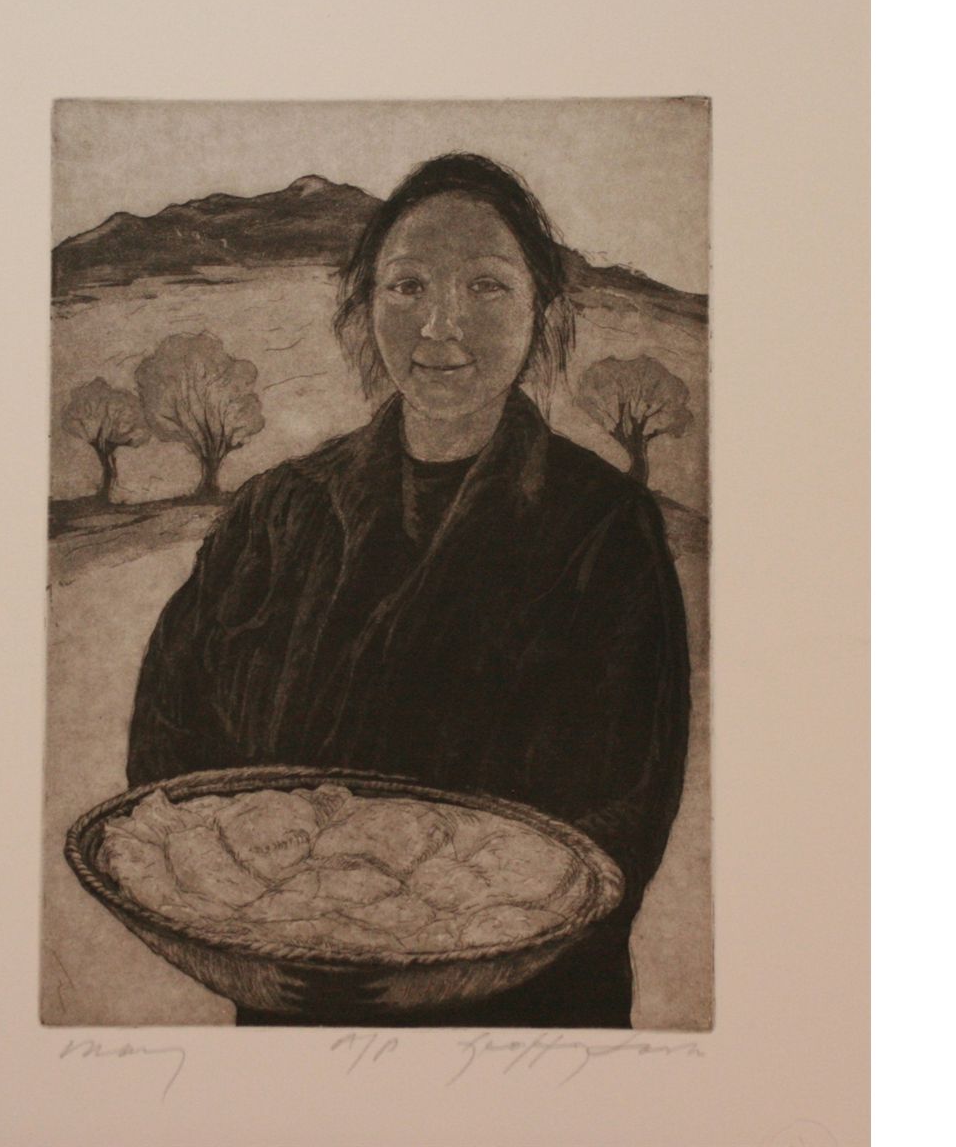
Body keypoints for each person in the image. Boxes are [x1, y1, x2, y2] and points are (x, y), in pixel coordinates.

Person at [127, 153, 691, 1028]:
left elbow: (624, 812)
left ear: (543, 312)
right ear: (364, 307)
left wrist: (452, 952)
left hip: (527, 1022)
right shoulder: (276, 511)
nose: (439, 325)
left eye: (485, 287)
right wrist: (242, 932)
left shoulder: (604, 527)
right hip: (293, 1001)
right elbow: (167, 767)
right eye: (407, 287)